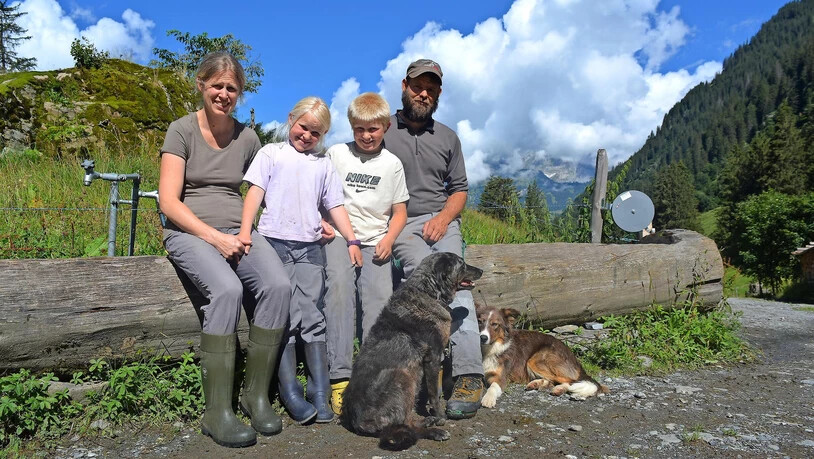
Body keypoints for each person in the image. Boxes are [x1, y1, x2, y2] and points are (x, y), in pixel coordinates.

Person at [158, 51, 290, 448]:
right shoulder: (180, 130)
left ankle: (255, 395)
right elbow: (168, 201)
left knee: (278, 286)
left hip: (238, 229)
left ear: (240, 93)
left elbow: (262, 192)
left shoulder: (248, 138)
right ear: (201, 84)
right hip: (188, 232)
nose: (224, 94)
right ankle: (216, 411)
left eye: (232, 88)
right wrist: (214, 238)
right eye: (217, 85)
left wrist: (317, 219)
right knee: (228, 291)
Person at [239, 96, 363, 425]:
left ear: (323, 136)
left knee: (312, 314)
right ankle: (290, 390)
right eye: (303, 127)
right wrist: (245, 231)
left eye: (316, 133)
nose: (307, 135)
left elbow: (335, 205)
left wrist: (351, 239)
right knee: (286, 315)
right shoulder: (271, 153)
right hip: (274, 242)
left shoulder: (323, 165)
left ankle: (319, 391)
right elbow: (255, 192)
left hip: (309, 247)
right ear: (291, 119)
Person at [383, 58, 484, 420]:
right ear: (404, 86)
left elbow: (459, 190)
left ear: (438, 93)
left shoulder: (447, 137)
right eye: (417, 86)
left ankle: (469, 375)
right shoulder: (382, 130)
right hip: (402, 221)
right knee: (421, 280)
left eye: (431, 88)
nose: (423, 94)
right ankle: (426, 375)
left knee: (460, 284)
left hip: (444, 220)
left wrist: (443, 219)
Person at [322, 93, 410, 415]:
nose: (366, 135)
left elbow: (400, 212)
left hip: (376, 242)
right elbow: (319, 193)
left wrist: (389, 238)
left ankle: (371, 378)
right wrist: (322, 221)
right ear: (351, 126)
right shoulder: (336, 154)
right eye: (359, 129)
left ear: (386, 127)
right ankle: (340, 377)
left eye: (373, 129)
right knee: (339, 291)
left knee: (379, 302)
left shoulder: (392, 164)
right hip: (338, 236)